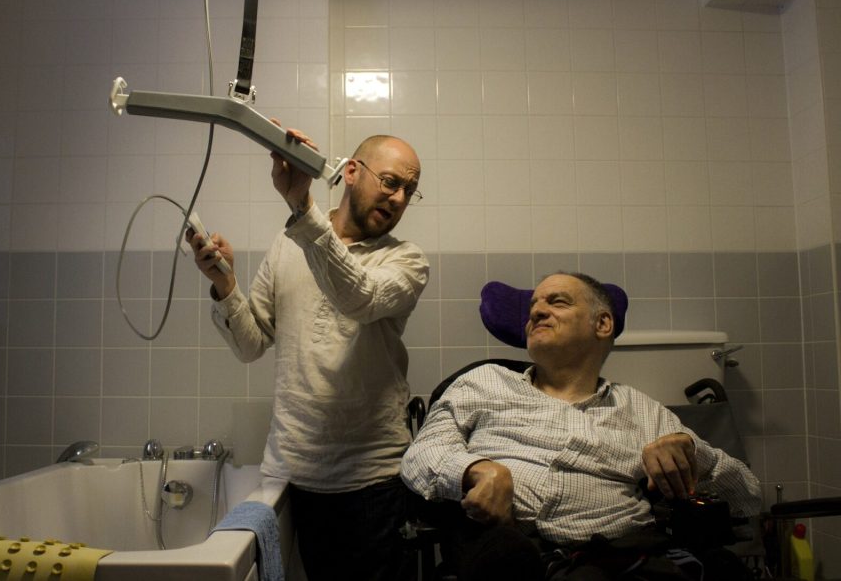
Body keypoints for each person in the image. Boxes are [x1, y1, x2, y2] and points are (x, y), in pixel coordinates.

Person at [400, 272, 762, 580]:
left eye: (557, 302)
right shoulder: (483, 382)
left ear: (602, 324)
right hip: (518, 552)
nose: (536, 311)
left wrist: (692, 452)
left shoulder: (642, 409)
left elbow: (748, 496)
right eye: (533, 306)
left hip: (627, 551)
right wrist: (476, 469)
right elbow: (422, 454)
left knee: (724, 568)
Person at [187, 127, 428, 581]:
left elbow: (359, 297)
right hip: (290, 477)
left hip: (371, 482)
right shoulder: (288, 244)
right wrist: (226, 284)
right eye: (391, 182)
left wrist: (302, 206)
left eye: (409, 191)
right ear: (351, 172)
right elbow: (251, 344)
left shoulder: (407, 261)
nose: (398, 198)